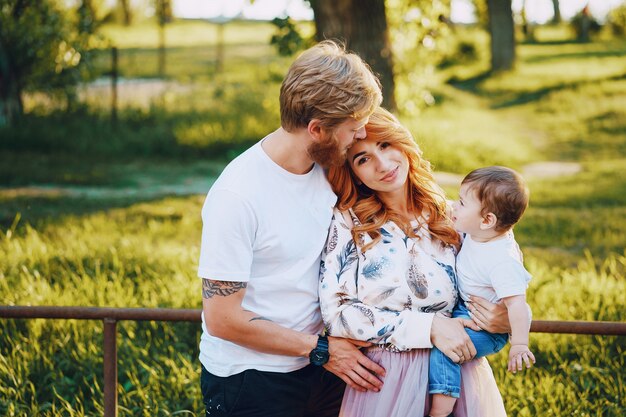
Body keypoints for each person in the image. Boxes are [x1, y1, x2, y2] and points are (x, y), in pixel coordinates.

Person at [197, 40, 387, 417]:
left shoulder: (328, 168)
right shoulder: (238, 195)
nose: (359, 137)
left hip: (322, 365)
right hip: (253, 379)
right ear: (317, 129)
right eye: (353, 129)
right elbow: (222, 319)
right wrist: (320, 349)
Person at [319, 107, 509, 417]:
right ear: (353, 172)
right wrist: (429, 327)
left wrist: (505, 317)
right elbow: (337, 316)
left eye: (385, 145)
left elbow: (494, 276)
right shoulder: (348, 224)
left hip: (458, 378)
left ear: (401, 142)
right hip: (386, 382)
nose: (382, 164)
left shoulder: (453, 217)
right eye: (363, 159)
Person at [428, 166, 535, 417]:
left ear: (487, 220)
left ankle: (440, 410)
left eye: (462, 203)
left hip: (487, 329)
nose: (454, 205)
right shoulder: (480, 232)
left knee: (447, 348)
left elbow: (518, 305)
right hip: (466, 308)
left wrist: (519, 343)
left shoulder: (502, 261)